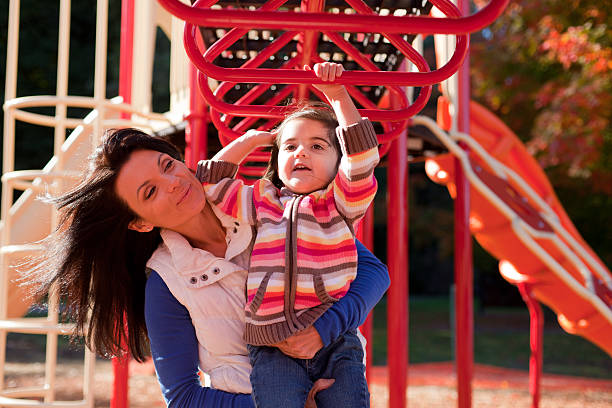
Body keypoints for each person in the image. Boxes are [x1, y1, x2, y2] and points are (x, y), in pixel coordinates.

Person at [24, 101, 389, 406]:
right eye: (150, 193)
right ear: (139, 223)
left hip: (335, 371)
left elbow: (374, 274)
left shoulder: (264, 208)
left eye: (168, 165)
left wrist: (323, 330)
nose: (174, 183)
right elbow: (183, 398)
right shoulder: (167, 282)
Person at [197, 62, 380, 407]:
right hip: (271, 342)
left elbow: (362, 158)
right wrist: (247, 142)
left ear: (338, 163)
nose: (301, 153)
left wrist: (338, 96)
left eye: (317, 147)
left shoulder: (340, 204)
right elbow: (210, 185)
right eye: (290, 146)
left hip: (334, 339)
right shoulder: (262, 201)